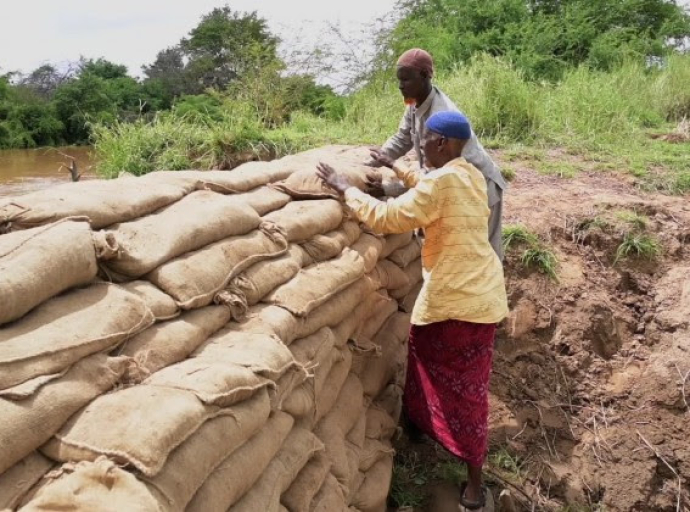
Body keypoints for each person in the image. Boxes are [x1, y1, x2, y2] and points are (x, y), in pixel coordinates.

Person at [317, 111, 508, 512]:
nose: (420, 146)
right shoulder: (468, 174)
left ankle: (473, 485)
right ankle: (423, 429)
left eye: (426, 140)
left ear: (442, 144)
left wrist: (344, 188)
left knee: (465, 390)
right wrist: (395, 167)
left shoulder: (442, 182)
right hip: (484, 296)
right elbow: (427, 183)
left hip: (457, 302)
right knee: (435, 364)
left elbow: (387, 218)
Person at [365, 48, 506, 261]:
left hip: (479, 189)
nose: (400, 86)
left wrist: (390, 188)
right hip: (452, 185)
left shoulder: (442, 116)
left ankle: (496, 292)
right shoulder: (414, 103)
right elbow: (402, 138)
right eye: (399, 80)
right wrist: (369, 164)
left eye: (406, 79)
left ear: (424, 76)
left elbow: (437, 180)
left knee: (484, 256)